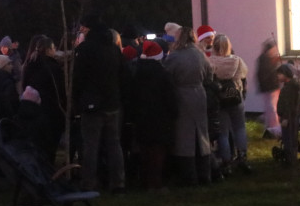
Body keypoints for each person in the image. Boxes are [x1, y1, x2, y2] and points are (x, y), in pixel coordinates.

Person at [72, 15, 126, 193]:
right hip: (112, 102)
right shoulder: (113, 49)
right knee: (114, 144)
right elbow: (122, 73)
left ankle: (89, 183)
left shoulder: (85, 49)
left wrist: (76, 101)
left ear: (89, 29)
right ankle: (118, 182)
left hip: (92, 104)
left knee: (90, 146)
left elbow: (78, 78)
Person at [163, 27, 215, 186]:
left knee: (184, 135)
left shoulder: (175, 57)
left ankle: (189, 175)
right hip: (199, 94)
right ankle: (205, 173)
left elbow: (167, 76)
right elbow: (209, 76)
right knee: (201, 134)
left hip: (182, 96)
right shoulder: (200, 55)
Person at [125, 40, 176, 190]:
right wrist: (173, 112)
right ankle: (156, 183)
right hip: (160, 118)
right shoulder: (163, 74)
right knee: (157, 152)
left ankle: (145, 181)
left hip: (141, 117)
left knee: (144, 150)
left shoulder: (136, 73)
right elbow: (170, 97)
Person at [16, 36, 64, 163]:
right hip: (50, 111)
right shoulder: (53, 67)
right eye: (54, 48)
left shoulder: (29, 64)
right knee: (49, 149)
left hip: (32, 110)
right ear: (49, 50)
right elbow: (59, 90)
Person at [209, 34, 250, 175]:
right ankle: (242, 157)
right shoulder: (237, 61)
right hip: (234, 96)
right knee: (239, 127)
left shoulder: (211, 62)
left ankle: (226, 162)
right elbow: (243, 75)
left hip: (220, 99)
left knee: (223, 132)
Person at [256, 38, 282, 139]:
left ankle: (270, 128)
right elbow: (268, 74)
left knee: (270, 108)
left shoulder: (264, 58)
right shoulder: (266, 59)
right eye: (273, 49)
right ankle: (273, 129)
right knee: (272, 109)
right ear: (269, 49)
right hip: (271, 87)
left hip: (268, 88)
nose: (275, 51)